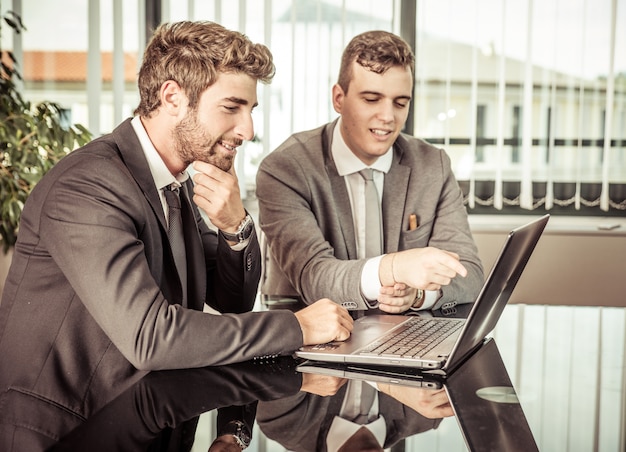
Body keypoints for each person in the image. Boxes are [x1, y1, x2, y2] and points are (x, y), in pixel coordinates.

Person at [0, 20, 353, 450]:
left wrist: (235, 227)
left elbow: (231, 301)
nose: (248, 130)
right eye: (232, 107)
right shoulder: (88, 185)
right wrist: (297, 326)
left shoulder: (174, 183)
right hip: (68, 432)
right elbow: (152, 336)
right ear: (172, 97)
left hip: (142, 417)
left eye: (251, 110)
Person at [256, 30, 484, 314]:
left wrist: (417, 296)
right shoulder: (286, 169)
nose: (388, 117)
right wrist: (395, 268)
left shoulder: (432, 165)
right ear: (339, 98)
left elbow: (469, 273)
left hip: (402, 337)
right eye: (372, 99)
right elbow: (314, 277)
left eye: (400, 103)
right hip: (313, 340)